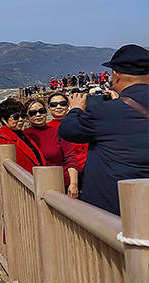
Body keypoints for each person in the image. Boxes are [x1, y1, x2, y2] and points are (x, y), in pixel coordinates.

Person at [58, 44, 149, 215]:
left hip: (115, 209)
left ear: (116, 74)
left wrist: (76, 109)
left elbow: (68, 130)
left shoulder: (106, 111)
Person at [0, 98, 46, 191]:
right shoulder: (3, 138)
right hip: (27, 185)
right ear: (4, 119)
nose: (21, 120)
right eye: (16, 117)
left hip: (37, 181)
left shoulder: (22, 134)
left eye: (23, 116)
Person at [22, 99, 80, 198]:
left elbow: (71, 158)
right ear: (27, 117)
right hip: (36, 185)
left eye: (42, 111)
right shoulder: (24, 136)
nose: (38, 114)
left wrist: (74, 184)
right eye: (33, 113)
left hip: (62, 184)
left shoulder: (58, 132)